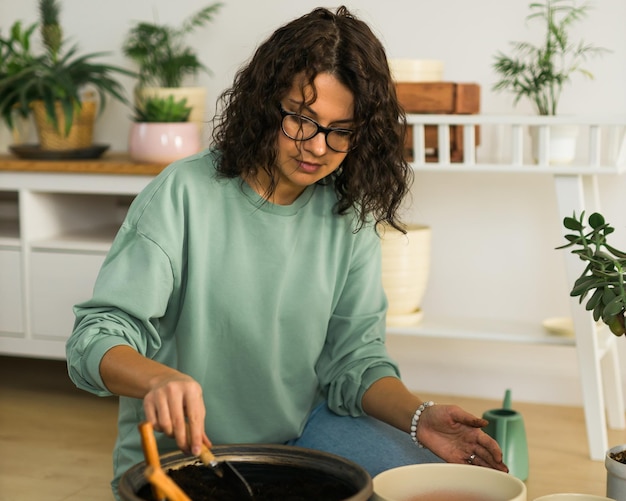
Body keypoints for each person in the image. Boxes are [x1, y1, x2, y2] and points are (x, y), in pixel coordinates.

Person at [66, 5, 508, 499]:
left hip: (305, 429)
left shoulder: (348, 213)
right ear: (265, 104)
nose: (318, 147)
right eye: (302, 119)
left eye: (340, 131)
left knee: (433, 488)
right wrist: (157, 379)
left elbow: (355, 361)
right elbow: (95, 338)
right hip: (191, 452)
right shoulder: (183, 193)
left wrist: (420, 418)